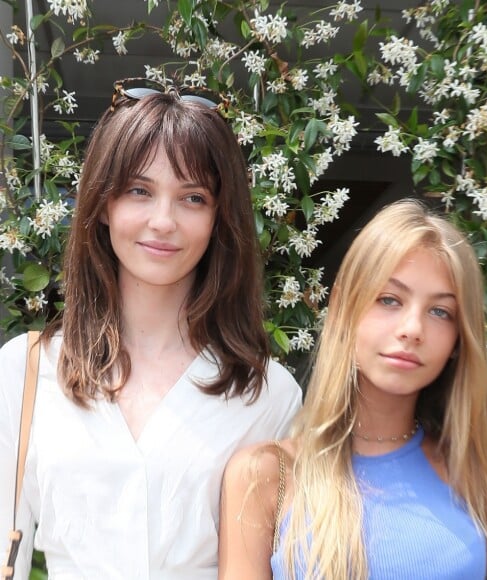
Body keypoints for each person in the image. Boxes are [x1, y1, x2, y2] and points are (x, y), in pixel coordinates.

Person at [0, 79, 302, 580]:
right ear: (102, 203)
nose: (163, 221)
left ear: (219, 218)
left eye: (193, 198)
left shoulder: (269, 395)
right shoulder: (26, 371)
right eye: (140, 191)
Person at [218, 199, 487, 579]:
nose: (412, 328)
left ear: (458, 340)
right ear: (342, 308)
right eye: (389, 300)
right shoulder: (265, 475)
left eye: (440, 311)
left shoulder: (472, 470)